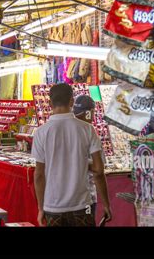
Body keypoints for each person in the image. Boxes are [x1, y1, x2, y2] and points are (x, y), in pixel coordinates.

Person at [32, 83, 112, 227]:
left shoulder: (41, 133)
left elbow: (38, 175)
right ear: (72, 102)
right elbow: (99, 171)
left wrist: (40, 207)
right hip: (83, 206)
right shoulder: (87, 129)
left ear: (49, 103)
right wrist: (106, 205)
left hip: (52, 207)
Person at [73, 95, 106, 220]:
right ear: (90, 112)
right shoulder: (90, 132)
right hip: (86, 199)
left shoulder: (63, 130)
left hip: (61, 200)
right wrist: (107, 204)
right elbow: (98, 171)